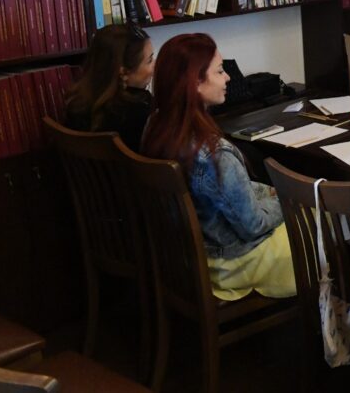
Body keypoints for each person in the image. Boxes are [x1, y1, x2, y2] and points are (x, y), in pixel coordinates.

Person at [141, 33, 295, 301]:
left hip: (189, 256)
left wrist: (263, 194)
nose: (229, 78)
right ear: (195, 82)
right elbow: (253, 224)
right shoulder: (215, 154)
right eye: (220, 71)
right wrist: (289, 200)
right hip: (230, 262)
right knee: (327, 226)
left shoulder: (155, 125)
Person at [64, 23, 155, 152]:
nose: (154, 66)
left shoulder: (75, 103)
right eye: (149, 61)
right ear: (123, 73)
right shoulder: (142, 111)